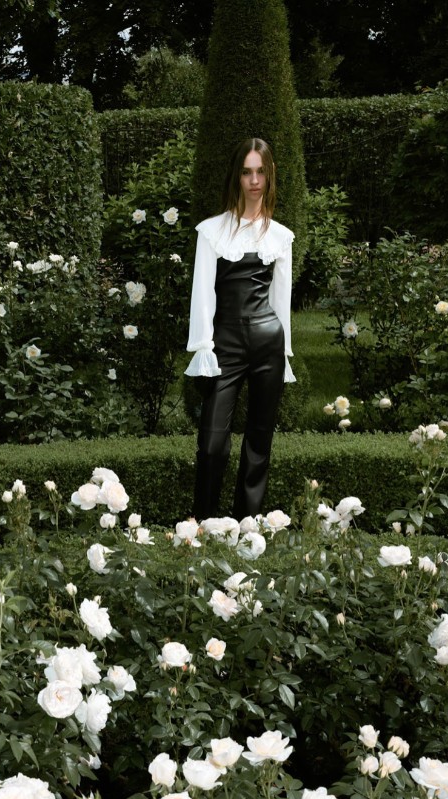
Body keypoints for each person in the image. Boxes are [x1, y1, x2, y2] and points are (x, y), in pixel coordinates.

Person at [185, 137, 295, 522]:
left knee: (259, 444)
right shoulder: (211, 232)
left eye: (260, 172)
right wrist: (204, 346)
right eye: (247, 172)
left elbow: (281, 299)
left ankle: (246, 529)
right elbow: (202, 294)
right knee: (212, 443)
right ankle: (202, 526)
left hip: (268, 343)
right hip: (225, 344)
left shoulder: (280, 236)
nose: (254, 180)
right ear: (237, 176)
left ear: (270, 175)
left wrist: (285, 353)